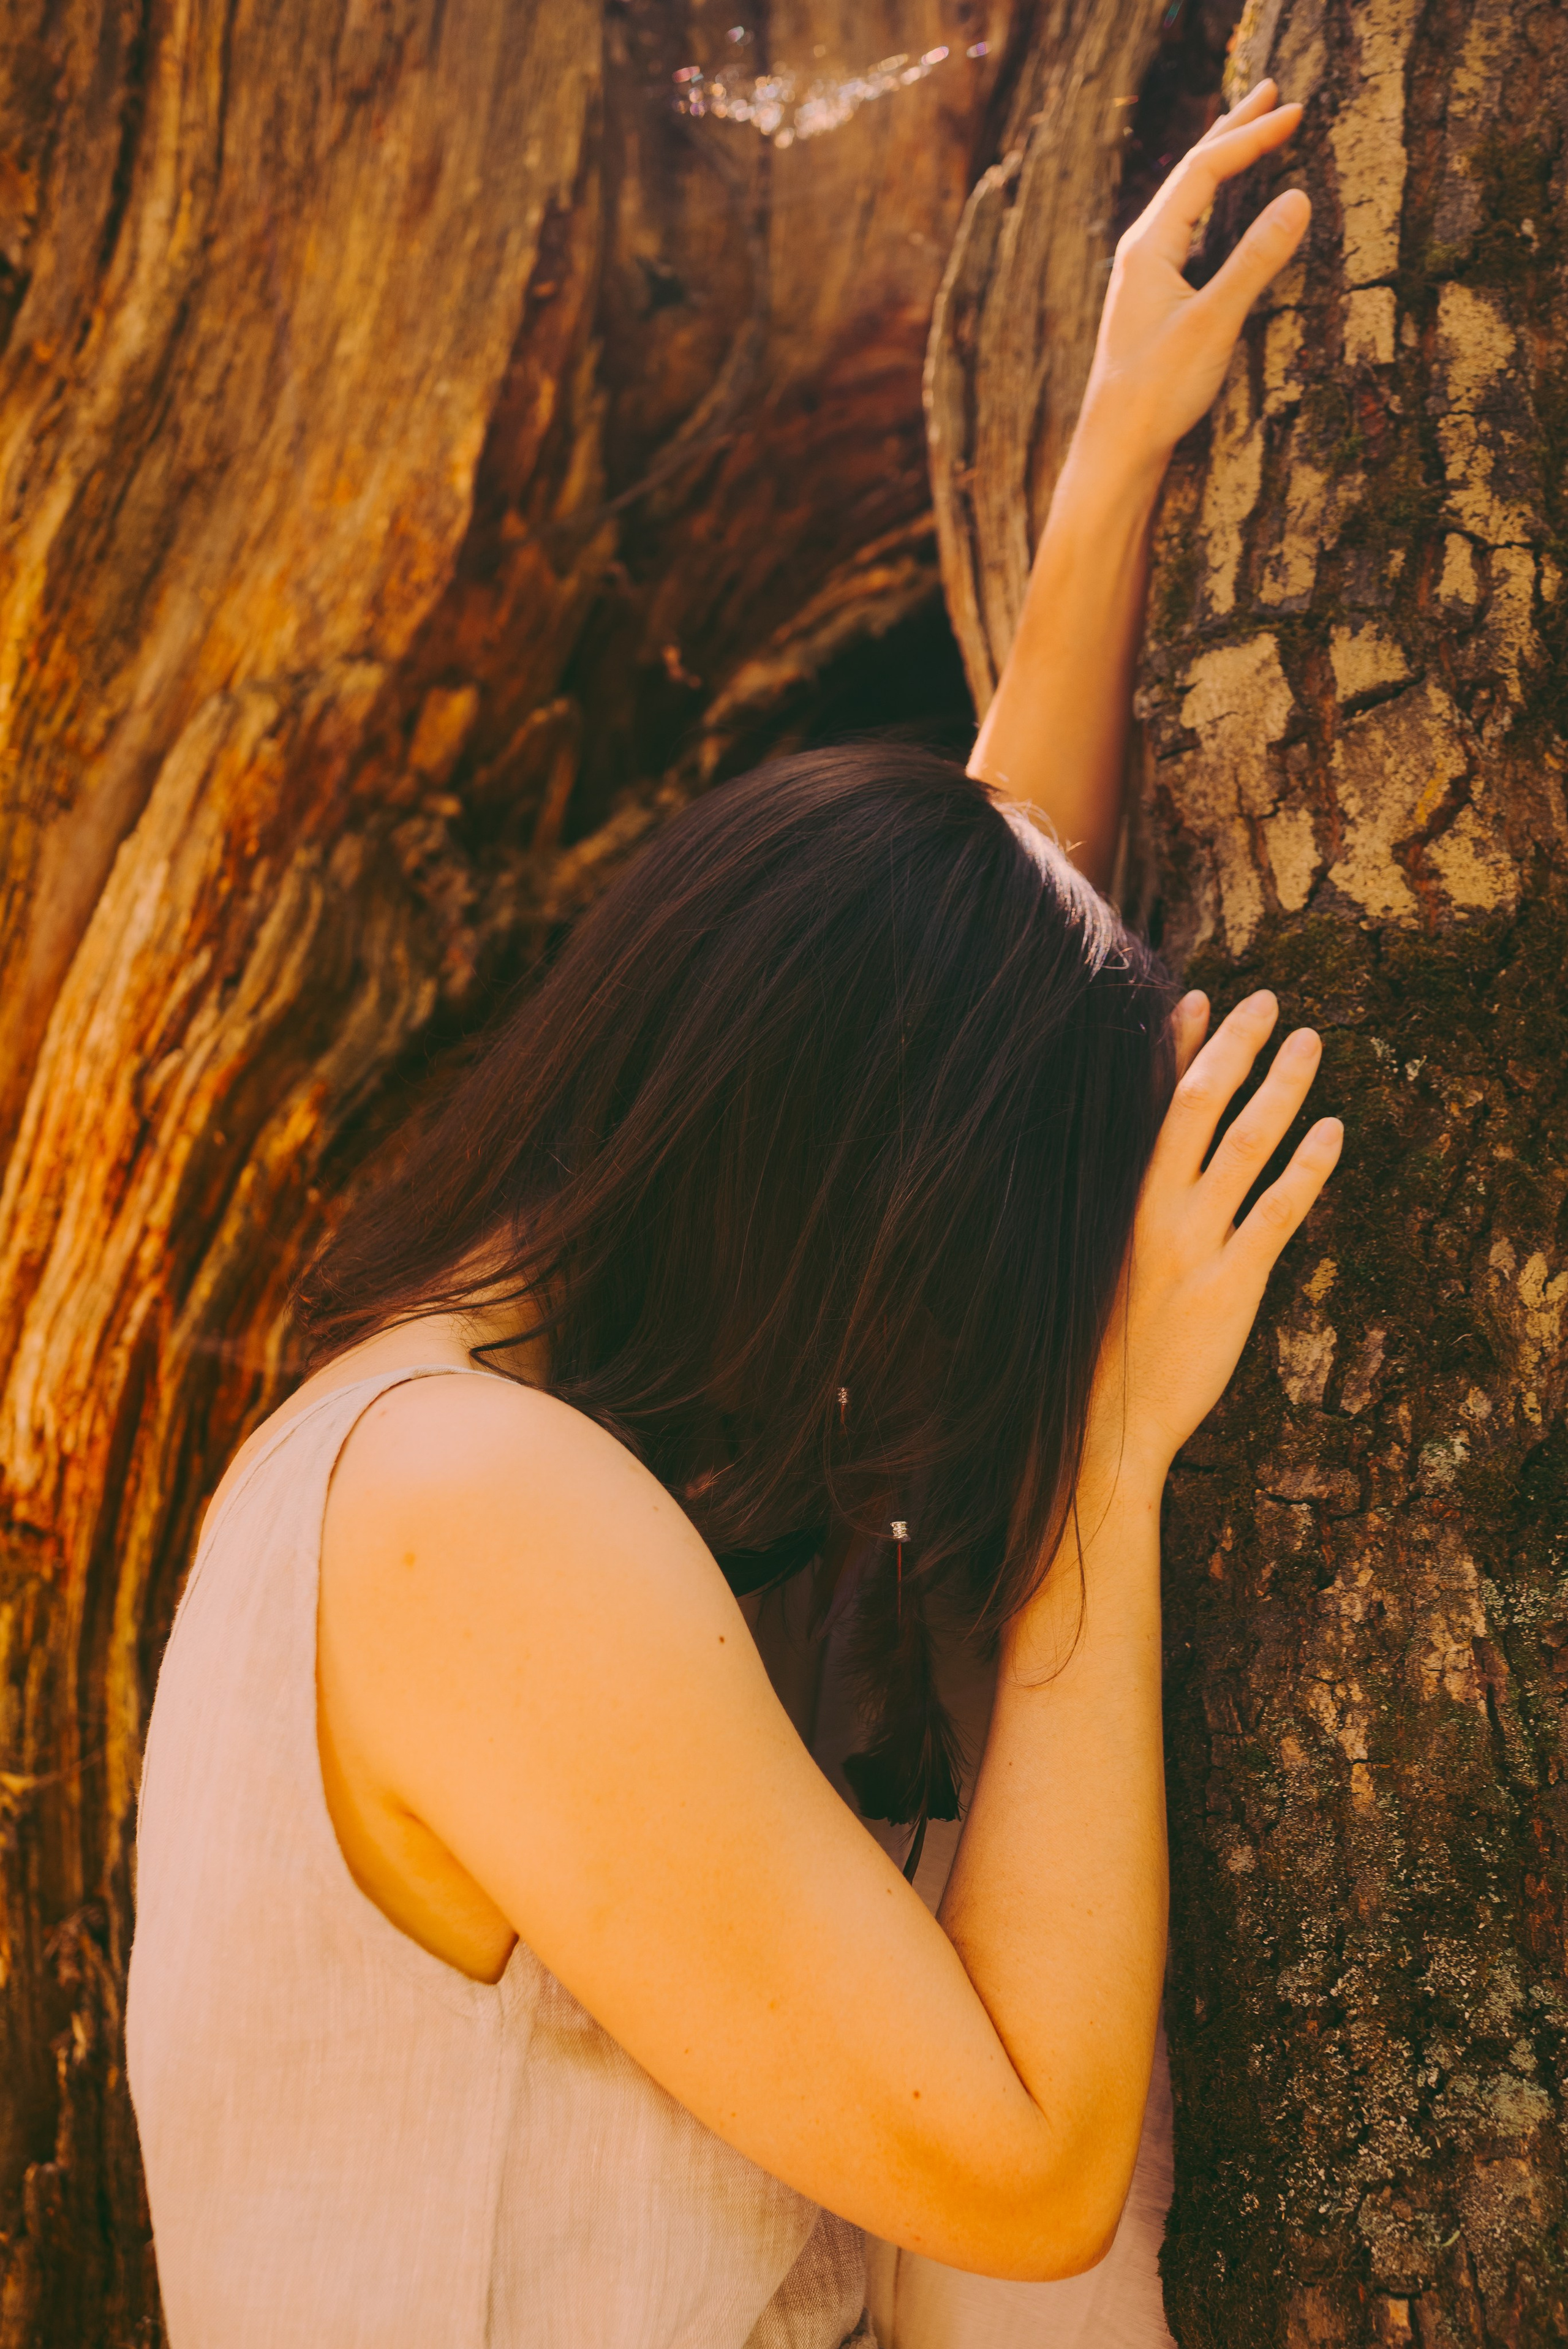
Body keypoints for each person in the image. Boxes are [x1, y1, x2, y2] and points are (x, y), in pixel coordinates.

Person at [126, 81, 1334, 2349]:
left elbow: (912, 986)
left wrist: (1103, 482)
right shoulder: (484, 1517)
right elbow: (1025, 2167)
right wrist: (1107, 1445)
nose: (933, 1367)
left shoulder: (420, 1433)